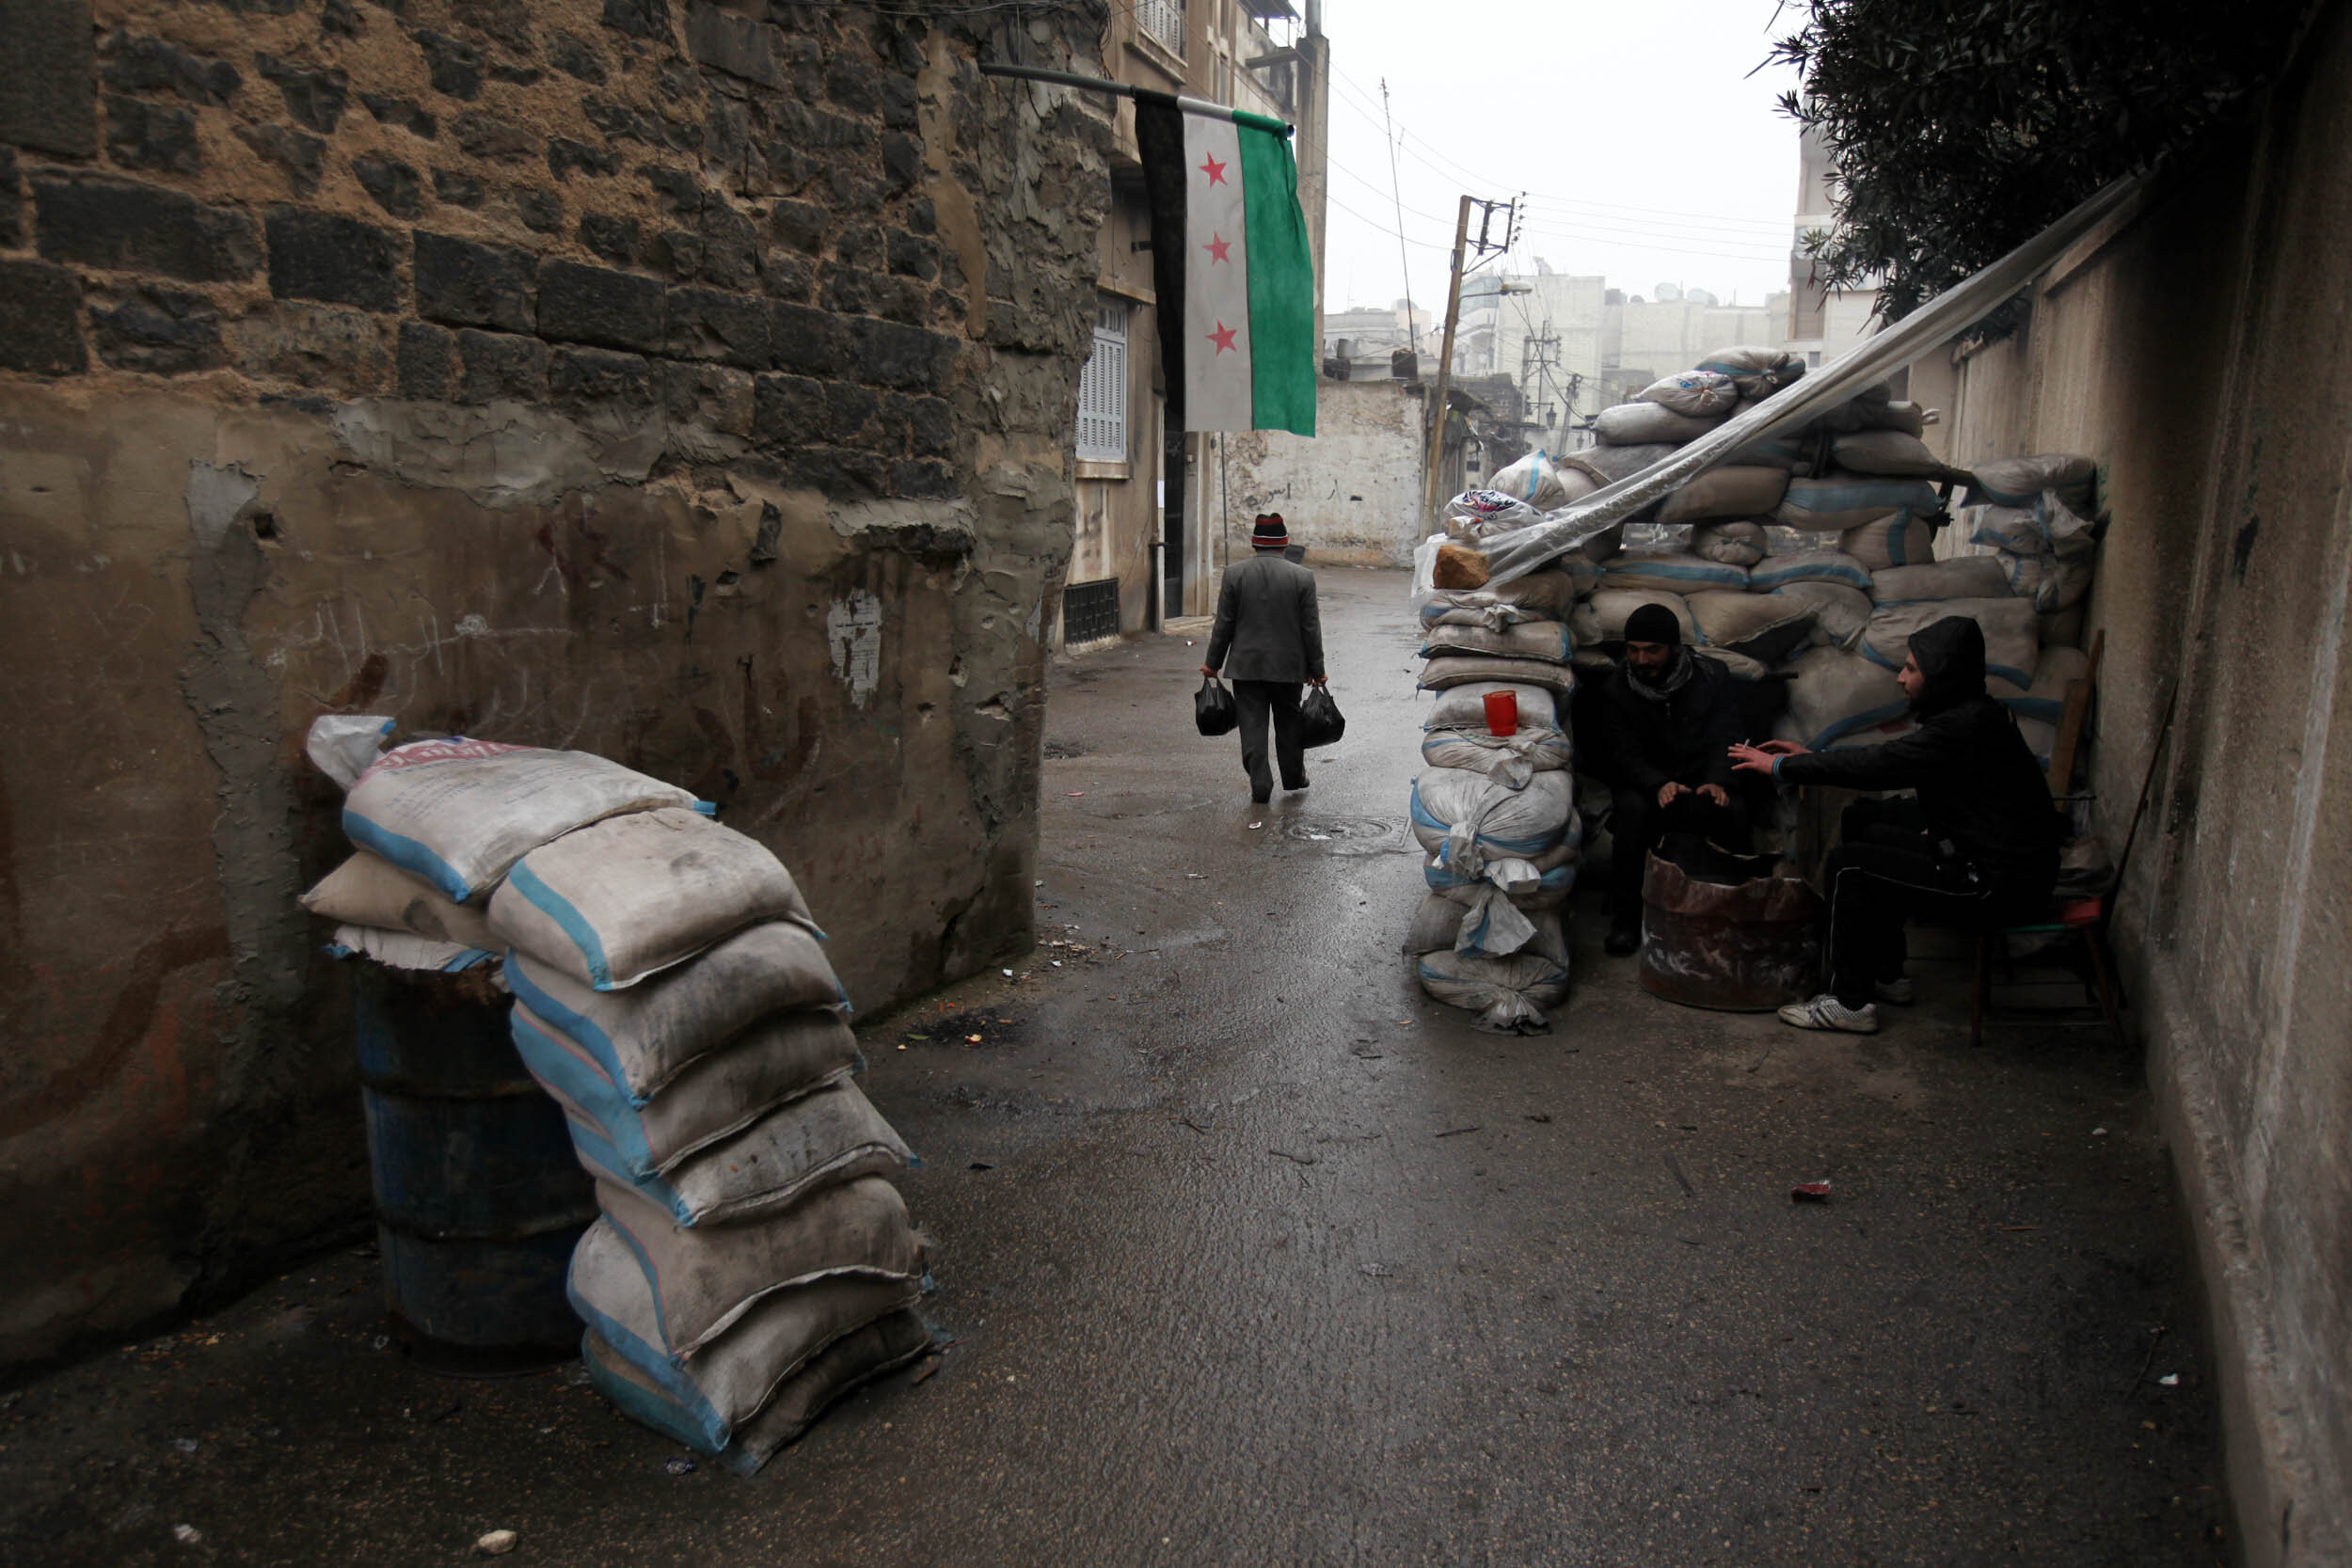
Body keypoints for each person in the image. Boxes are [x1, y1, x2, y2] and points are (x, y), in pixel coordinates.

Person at [1729, 613, 2061, 1033]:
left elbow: (1883, 765)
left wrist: (1782, 766)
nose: (1901, 679)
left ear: (1941, 676)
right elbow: (1898, 756)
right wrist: (1809, 759)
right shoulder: (1969, 715)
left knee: (1851, 864)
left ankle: (1848, 1001)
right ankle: (1887, 973)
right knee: (1866, 822)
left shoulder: (1964, 727)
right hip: (1983, 859)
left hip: (1995, 885)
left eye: (1911, 669)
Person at [1595, 602, 1749, 956]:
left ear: (1675, 649)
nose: (1641, 660)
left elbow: (1726, 733)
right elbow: (1620, 752)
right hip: (1647, 784)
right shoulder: (1616, 688)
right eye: (1633, 650)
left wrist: (1718, 781)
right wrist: (1656, 783)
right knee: (1632, 813)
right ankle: (1626, 922)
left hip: (1699, 776)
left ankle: (1730, 917)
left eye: (1652, 650)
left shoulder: (1712, 677)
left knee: (1732, 810)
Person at [1200, 514, 1327, 804]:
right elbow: (1311, 629)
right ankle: (1293, 777)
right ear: (1284, 544)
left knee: (1252, 726)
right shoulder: (1302, 577)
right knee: (1289, 723)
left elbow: (1224, 625)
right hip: (1289, 668)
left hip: (1247, 667)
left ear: (1255, 543)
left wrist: (1212, 664)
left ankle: (1260, 783)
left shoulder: (1235, 574)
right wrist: (1317, 670)